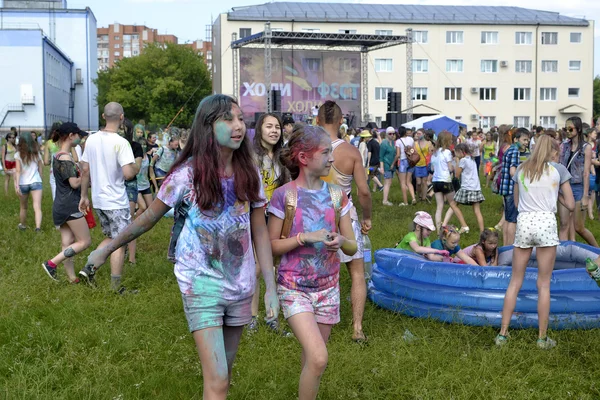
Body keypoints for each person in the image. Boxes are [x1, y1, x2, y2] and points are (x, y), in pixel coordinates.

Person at [82, 94, 278, 399]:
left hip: (240, 287)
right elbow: (148, 218)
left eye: (241, 118)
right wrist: (106, 249)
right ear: (208, 127)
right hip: (201, 285)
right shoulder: (187, 174)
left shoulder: (248, 173)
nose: (238, 125)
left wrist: (270, 287)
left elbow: (260, 232)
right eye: (228, 119)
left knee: (222, 375)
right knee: (219, 380)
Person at [268, 124, 357, 400]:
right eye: (326, 152)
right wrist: (304, 237)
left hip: (328, 289)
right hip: (293, 288)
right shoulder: (285, 196)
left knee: (311, 359)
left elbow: (353, 247)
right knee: (319, 358)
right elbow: (272, 247)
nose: (332, 158)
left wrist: (341, 241)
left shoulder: (336, 195)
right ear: (304, 157)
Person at [496, 134, 575, 349]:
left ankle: (502, 334)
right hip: (546, 223)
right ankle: (541, 338)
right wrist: (555, 195)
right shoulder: (558, 170)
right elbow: (571, 204)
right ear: (552, 151)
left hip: (525, 222)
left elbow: (515, 201)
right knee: (543, 284)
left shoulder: (521, 169)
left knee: (515, 281)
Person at [317, 101, 372, 342]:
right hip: (345, 215)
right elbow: (364, 191)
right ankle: (357, 328)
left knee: (317, 273)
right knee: (357, 272)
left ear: (317, 121)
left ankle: (317, 324)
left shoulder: (310, 149)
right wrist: (367, 216)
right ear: (341, 121)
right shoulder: (351, 152)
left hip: (316, 216)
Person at [77, 102, 138, 291]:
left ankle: (89, 268)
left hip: (99, 199)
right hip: (116, 201)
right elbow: (128, 173)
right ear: (121, 117)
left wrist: (84, 196)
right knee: (120, 242)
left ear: (103, 116)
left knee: (112, 237)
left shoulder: (91, 140)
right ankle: (115, 287)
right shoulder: (121, 143)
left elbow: (84, 169)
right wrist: (137, 165)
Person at [249, 112, 291, 335]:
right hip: (256, 217)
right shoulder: (250, 156)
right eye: (269, 127)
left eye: (277, 127)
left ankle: (272, 317)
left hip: (278, 216)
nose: (274, 131)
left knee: (274, 268)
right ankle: (252, 317)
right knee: (257, 268)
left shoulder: (282, 157)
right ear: (260, 130)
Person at [41, 122, 91, 282]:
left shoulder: (58, 156)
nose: (80, 138)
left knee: (67, 242)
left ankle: (71, 277)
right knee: (85, 241)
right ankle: (51, 263)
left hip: (60, 205)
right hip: (70, 205)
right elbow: (74, 183)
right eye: (78, 135)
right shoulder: (66, 158)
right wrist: (86, 173)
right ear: (71, 136)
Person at [557, 117, 597, 247]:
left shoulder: (586, 148)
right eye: (565, 128)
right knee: (563, 224)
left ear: (578, 129)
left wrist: (586, 196)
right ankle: (562, 255)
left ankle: (597, 249)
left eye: (570, 129)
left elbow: (586, 173)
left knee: (579, 227)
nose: (567, 131)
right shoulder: (563, 146)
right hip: (563, 187)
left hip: (579, 187)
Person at [430, 131, 470, 234]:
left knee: (439, 206)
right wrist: (455, 163)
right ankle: (462, 225)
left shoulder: (434, 153)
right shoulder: (447, 152)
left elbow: (432, 168)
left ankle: (439, 230)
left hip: (435, 181)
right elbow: (450, 168)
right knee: (454, 204)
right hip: (445, 181)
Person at [498, 128, 530, 246]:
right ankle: (510, 248)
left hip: (506, 189)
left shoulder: (509, 149)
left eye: (528, 140)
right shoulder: (516, 151)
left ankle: (505, 245)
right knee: (513, 221)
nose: (526, 142)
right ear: (516, 139)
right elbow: (513, 171)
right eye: (524, 139)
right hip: (512, 189)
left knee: (507, 218)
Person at [445, 143, 485, 232]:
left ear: (461, 152)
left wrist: (457, 161)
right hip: (476, 188)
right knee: (477, 210)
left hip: (467, 188)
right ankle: (482, 231)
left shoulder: (463, 160)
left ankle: (464, 225)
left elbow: (456, 175)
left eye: (456, 153)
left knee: (453, 204)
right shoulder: (472, 159)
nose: (455, 155)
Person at [122, 119, 144, 264]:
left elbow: (135, 170)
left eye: (121, 128)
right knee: (119, 223)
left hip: (129, 185)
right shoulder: (112, 145)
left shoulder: (135, 146)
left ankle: (131, 258)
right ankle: (120, 251)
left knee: (128, 222)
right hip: (113, 185)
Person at [14, 131, 43, 231]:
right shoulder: (36, 153)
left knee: (23, 207)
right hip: (36, 182)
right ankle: (38, 227)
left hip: (23, 183)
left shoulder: (18, 155)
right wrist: (40, 180)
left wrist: (17, 185)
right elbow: (40, 169)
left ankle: (22, 225)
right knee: (37, 207)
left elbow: (18, 171)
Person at [394, 126, 416, 206]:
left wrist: (393, 163)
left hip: (403, 161)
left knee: (403, 183)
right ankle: (413, 198)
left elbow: (398, 155)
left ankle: (405, 202)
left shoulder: (398, 141)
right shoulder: (411, 139)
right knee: (408, 181)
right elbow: (414, 150)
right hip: (411, 161)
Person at [380, 127, 396, 206]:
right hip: (386, 165)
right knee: (387, 183)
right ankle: (385, 200)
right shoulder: (384, 143)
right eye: (390, 133)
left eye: (393, 133)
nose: (392, 135)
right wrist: (382, 167)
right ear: (386, 134)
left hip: (391, 165)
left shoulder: (393, 143)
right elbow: (381, 157)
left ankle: (386, 199)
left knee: (389, 182)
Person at [414, 128, 431, 202]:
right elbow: (413, 154)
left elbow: (431, 154)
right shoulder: (415, 143)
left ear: (424, 134)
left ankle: (423, 198)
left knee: (424, 182)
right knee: (418, 183)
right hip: (417, 164)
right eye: (417, 133)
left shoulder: (428, 143)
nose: (418, 135)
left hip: (425, 164)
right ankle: (419, 195)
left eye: (419, 133)